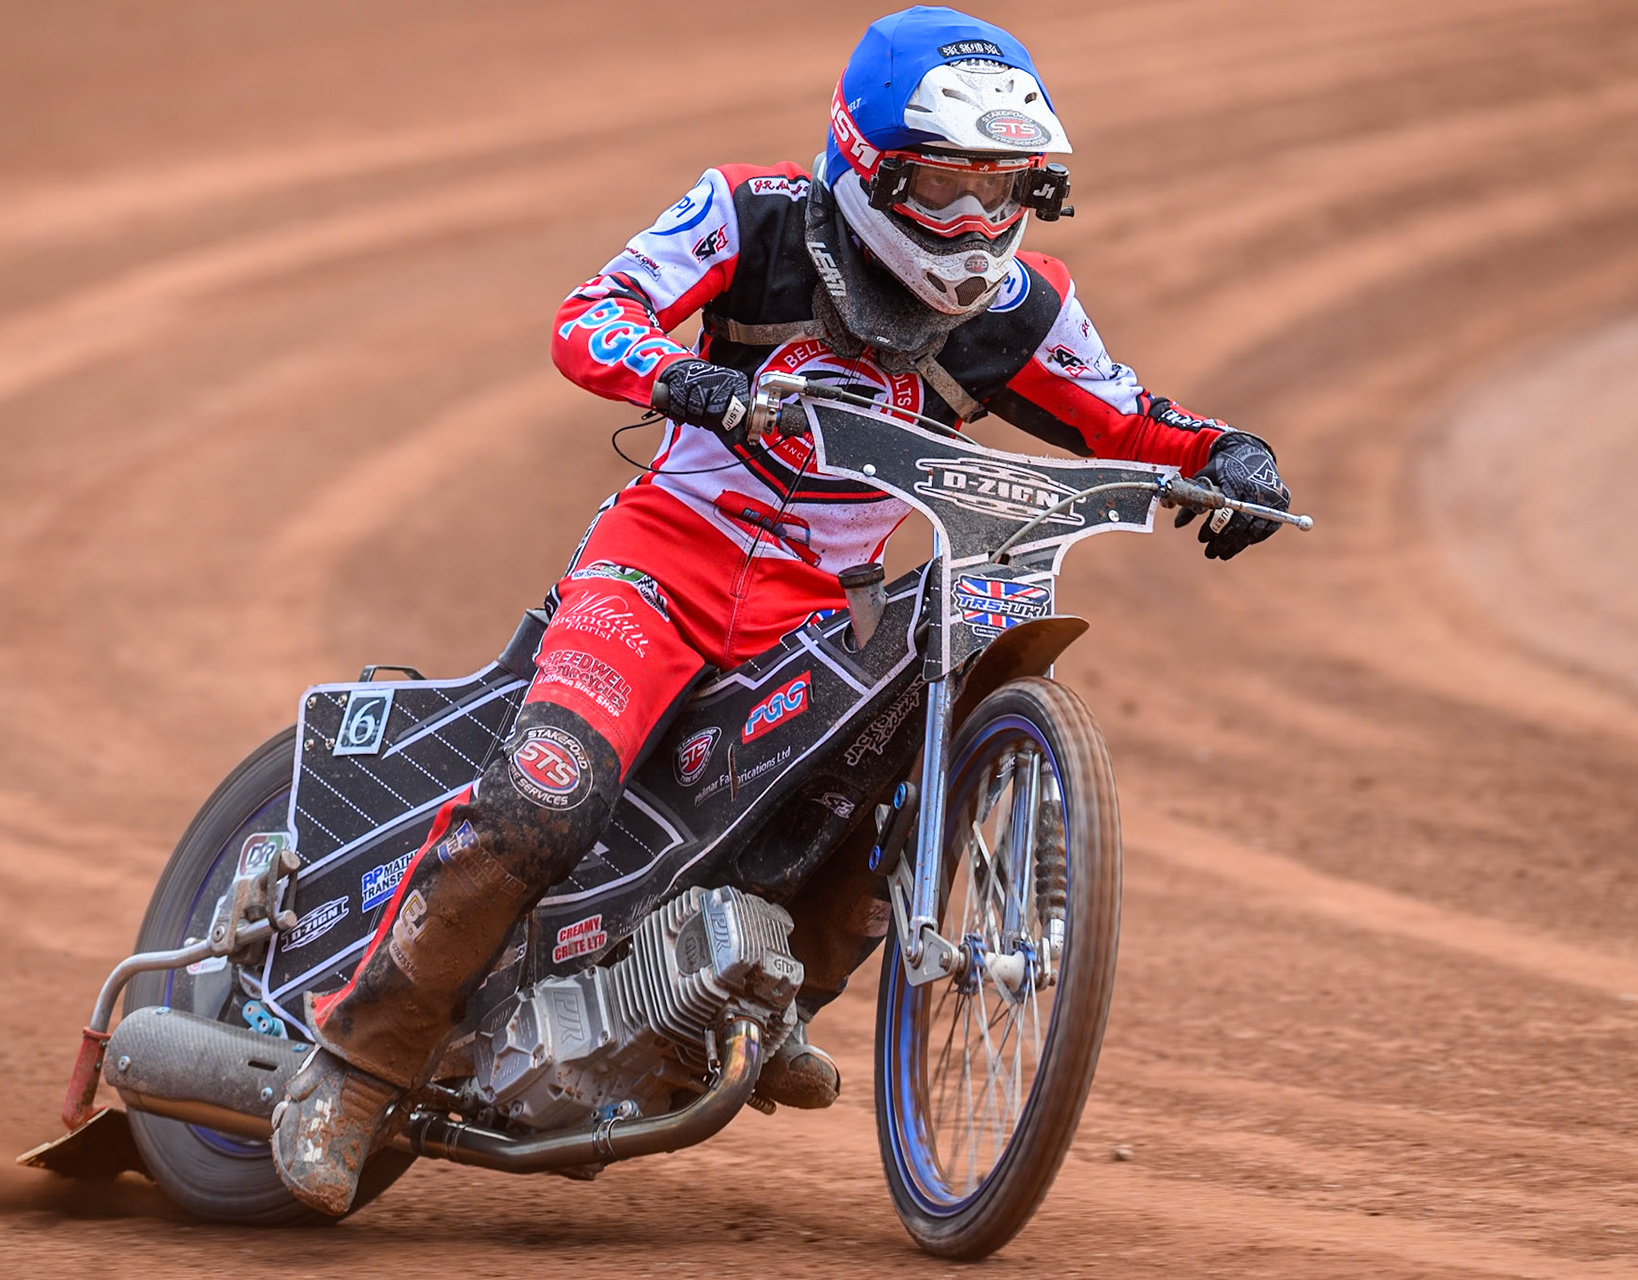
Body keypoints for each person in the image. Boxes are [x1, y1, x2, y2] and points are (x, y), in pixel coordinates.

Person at [271, 4, 1292, 1214]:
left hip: (822, 613)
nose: (975, 227)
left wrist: (1234, 455)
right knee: (549, 792)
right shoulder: (748, 215)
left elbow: (1132, 415)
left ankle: (775, 985)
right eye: (943, 189)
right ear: (865, 168)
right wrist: (686, 376)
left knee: (908, 732)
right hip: (657, 573)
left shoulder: (1021, 310)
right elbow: (587, 315)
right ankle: (351, 1064)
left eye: (1004, 189)